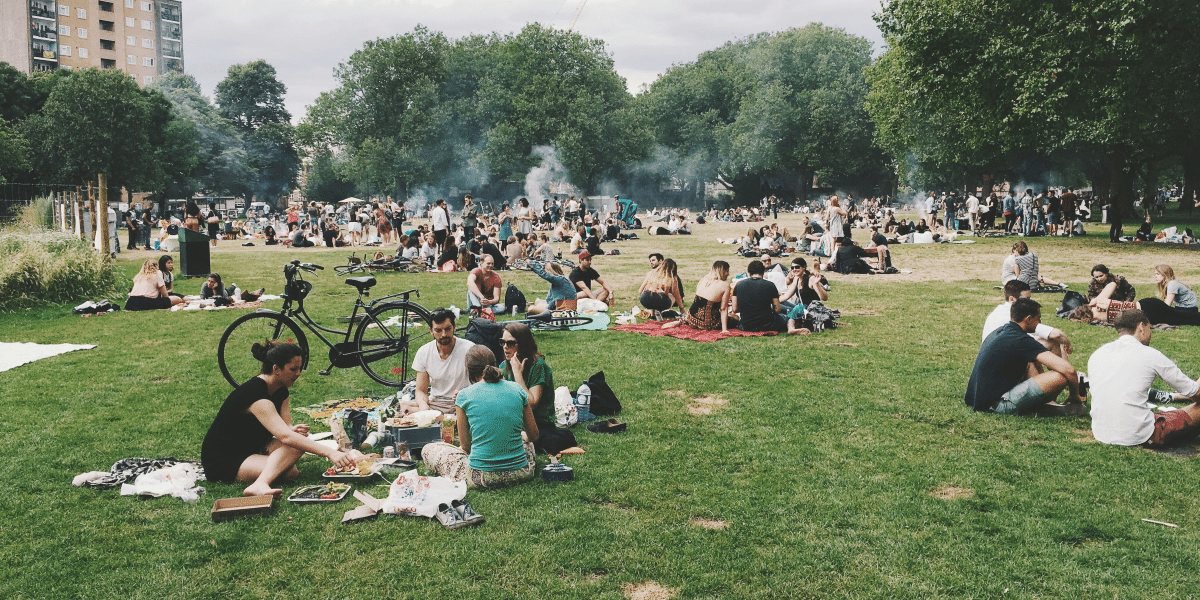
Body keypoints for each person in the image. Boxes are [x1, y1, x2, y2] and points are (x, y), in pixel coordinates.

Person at [202, 341, 358, 497]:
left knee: (295, 456)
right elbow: (285, 437)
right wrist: (331, 453)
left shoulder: (281, 390)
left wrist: (292, 429)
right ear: (276, 369)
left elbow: (286, 428)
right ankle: (259, 485)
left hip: (253, 447)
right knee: (289, 468)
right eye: (293, 369)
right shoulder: (256, 395)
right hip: (224, 459)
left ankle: (263, 475)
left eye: (299, 368)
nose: (298, 373)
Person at [419, 345, 539, 490]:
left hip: (481, 477)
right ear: (495, 364)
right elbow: (533, 436)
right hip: (520, 472)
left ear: (468, 371)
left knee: (428, 449)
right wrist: (522, 435)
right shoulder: (517, 389)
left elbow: (466, 447)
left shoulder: (464, 396)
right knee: (527, 444)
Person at [1089, 309, 1200, 448]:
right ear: (1141, 327)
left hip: (1101, 431)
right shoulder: (1150, 355)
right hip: (1138, 435)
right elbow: (1196, 394)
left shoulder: (1098, 353)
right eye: (1150, 328)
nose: (1151, 333)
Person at [965, 298, 1085, 415]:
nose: (1040, 323)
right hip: (996, 405)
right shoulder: (1020, 340)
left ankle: (1045, 403)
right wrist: (1074, 395)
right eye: (1039, 319)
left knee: (1031, 361)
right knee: (1061, 376)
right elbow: (1069, 370)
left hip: (977, 399)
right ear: (1028, 319)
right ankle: (1043, 405)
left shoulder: (1003, 331)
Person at [405, 308, 477, 415]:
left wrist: (465, 395)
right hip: (436, 404)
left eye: (447, 329)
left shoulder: (469, 349)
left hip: (462, 403)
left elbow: (480, 385)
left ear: (454, 328)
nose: (444, 334)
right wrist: (423, 407)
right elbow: (420, 390)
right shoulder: (424, 352)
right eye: (438, 330)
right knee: (403, 407)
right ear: (431, 331)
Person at [983, 280, 1073, 359]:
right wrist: (1068, 343)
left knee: (1041, 342)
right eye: (1026, 299)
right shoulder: (1014, 314)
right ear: (1012, 299)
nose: (1029, 302)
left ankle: (1064, 374)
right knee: (1051, 342)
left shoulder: (1001, 310)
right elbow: (1055, 334)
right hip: (1001, 355)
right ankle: (1064, 375)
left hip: (994, 353)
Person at [498, 322, 556, 438]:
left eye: (510, 343)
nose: (505, 346)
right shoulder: (504, 366)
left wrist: (517, 375)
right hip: (515, 421)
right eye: (502, 342)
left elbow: (532, 403)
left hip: (538, 424)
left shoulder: (538, 366)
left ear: (522, 344)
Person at [663, 260, 730, 332]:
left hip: (691, 319)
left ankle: (682, 321)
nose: (728, 274)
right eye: (727, 271)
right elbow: (723, 309)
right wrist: (724, 330)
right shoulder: (725, 285)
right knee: (734, 318)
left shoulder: (704, 280)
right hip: (707, 324)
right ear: (722, 271)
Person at [731, 259, 785, 332]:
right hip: (767, 325)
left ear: (749, 273)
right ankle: (792, 328)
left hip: (746, 325)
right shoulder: (770, 285)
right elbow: (777, 309)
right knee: (787, 318)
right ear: (763, 271)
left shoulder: (739, 285)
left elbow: (735, 309)